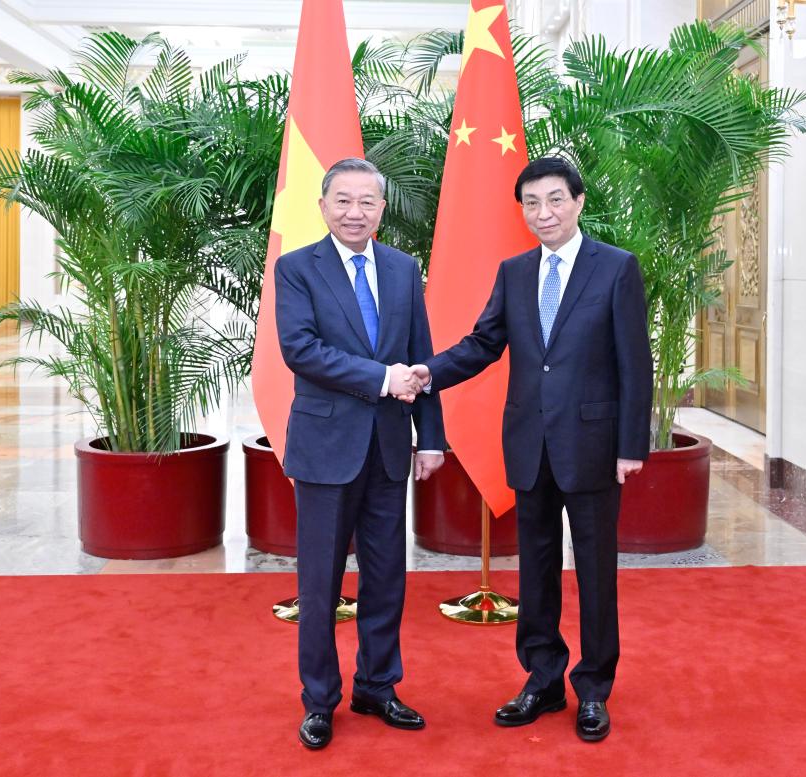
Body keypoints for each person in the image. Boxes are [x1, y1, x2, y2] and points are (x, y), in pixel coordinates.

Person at [406, 157, 652, 743]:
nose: (544, 213)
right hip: (529, 445)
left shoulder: (615, 267)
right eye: (532, 203)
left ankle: (593, 688)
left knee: (595, 571)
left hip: (593, 446)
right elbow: (483, 344)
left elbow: (635, 363)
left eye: (555, 200)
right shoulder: (515, 272)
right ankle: (542, 680)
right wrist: (429, 373)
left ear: (579, 202)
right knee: (537, 570)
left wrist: (630, 446)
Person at [275, 157, 446, 750]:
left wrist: (432, 436)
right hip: (326, 449)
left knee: (386, 576)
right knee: (321, 581)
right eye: (343, 201)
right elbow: (300, 350)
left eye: (367, 201)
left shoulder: (402, 268)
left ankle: (377, 685)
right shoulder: (297, 268)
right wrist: (381, 379)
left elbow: (421, 354)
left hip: (390, 448)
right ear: (323, 206)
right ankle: (319, 700)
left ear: (382, 209)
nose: (355, 212)